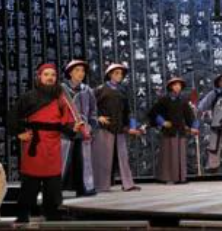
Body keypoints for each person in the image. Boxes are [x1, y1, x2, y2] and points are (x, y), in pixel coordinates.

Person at [8, 62, 82, 222]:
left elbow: (64, 123)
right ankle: (23, 215)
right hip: (34, 144)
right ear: (39, 77)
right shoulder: (28, 97)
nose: (50, 78)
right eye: (46, 74)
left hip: (53, 145)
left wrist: (73, 129)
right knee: (30, 182)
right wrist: (19, 133)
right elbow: (12, 116)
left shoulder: (61, 99)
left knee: (53, 182)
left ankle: (52, 213)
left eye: (53, 75)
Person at [92, 63, 142, 192]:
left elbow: (128, 111)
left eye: (121, 73)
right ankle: (101, 185)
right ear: (109, 75)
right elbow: (90, 106)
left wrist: (132, 127)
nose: (119, 76)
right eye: (116, 73)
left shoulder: (122, 90)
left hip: (119, 128)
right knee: (104, 156)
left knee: (123, 157)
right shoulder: (100, 89)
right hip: (105, 128)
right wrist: (97, 117)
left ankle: (128, 184)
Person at [148, 77, 200, 184]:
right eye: (175, 85)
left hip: (180, 131)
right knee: (169, 155)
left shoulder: (183, 101)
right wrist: (162, 122)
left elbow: (189, 116)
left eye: (179, 85)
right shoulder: (164, 100)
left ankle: (181, 177)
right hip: (169, 131)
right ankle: (168, 177)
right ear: (171, 87)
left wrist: (194, 127)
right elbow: (153, 113)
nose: (177, 87)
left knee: (180, 155)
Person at [60, 59, 97, 196]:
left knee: (83, 160)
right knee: (63, 159)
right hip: (66, 131)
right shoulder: (60, 89)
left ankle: (85, 188)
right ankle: (57, 188)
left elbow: (93, 111)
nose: (81, 73)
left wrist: (91, 126)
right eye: (77, 70)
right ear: (70, 73)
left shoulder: (87, 90)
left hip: (83, 130)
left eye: (83, 71)